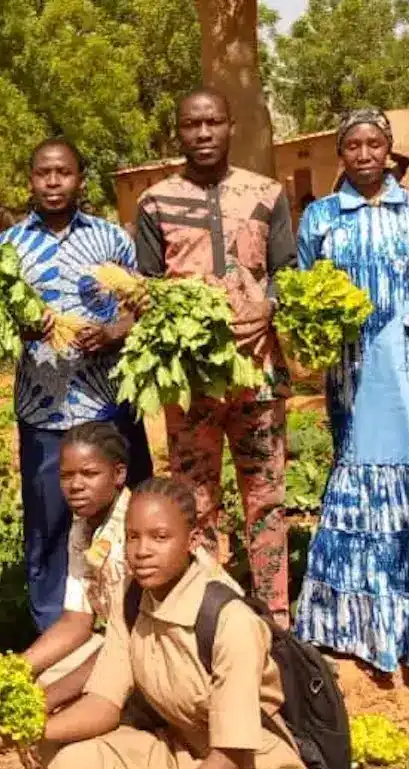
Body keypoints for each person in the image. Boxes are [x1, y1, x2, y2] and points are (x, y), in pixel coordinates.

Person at [294, 109, 409, 676]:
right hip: (354, 379)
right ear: (341, 153)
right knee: (358, 471)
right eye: (353, 144)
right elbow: (304, 297)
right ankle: (359, 626)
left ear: (389, 149)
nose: (365, 153)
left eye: (374, 143)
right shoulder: (321, 219)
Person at [37, 477, 313, 769]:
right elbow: (103, 704)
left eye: (160, 537)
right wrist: (32, 731)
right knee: (72, 762)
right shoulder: (130, 600)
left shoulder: (230, 621)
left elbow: (231, 761)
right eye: (133, 537)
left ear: (192, 540)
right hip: (185, 759)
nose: (142, 551)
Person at [134, 89, 294, 626]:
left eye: (213, 122)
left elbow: (287, 273)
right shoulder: (156, 203)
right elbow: (148, 291)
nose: (203, 134)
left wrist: (268, 308)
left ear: (230, 126)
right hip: (192, 389)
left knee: (266, 500)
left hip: (259, 379)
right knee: (195, 504)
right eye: (191, 124)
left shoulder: (266, 194)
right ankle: (210, 616)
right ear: (178, 132)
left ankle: (274, 619)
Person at [0, 137, 153, 632]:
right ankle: (56, 627)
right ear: (30, 180)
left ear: (79, 179)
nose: (52, 182)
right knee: (48, 523)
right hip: (43, 409)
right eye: (43, 173)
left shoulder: (112, 239)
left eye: (63, 172)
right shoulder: (8, 248)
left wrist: (113, 334)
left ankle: (129, 621)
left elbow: (143, 308)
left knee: (122, 514)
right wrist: (18, 328)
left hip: (106, 405)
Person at [21, 422, 133, 707]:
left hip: (153, 646)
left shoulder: (137, 530)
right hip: (118, 640)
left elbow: (130, 643)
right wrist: (13, 670)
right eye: (66, 476)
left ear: (118, 474)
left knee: (71, 701)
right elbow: (77, 621)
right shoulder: (82, 529)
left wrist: (47, 700)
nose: (76, 485)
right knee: (38, 681)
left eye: (89, 474)